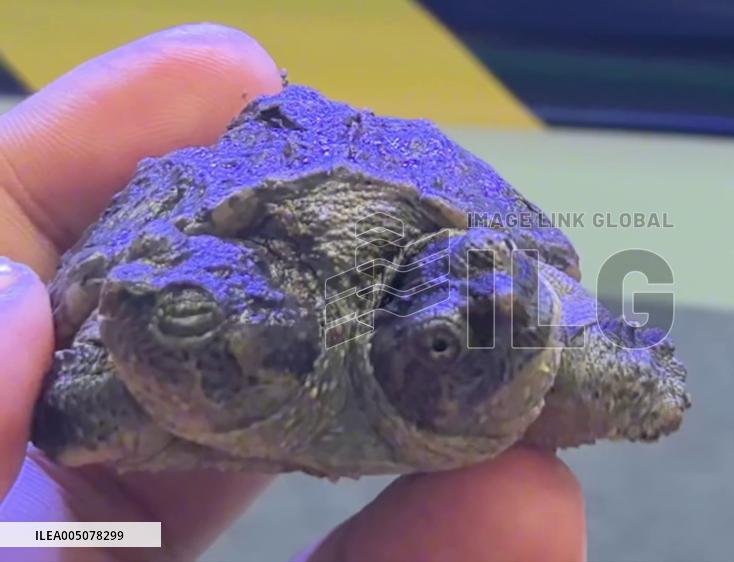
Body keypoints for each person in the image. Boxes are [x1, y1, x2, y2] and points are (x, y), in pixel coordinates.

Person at [0, 24, 586, 562]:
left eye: (177, 321)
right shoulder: (109, 378)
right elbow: (48, 521)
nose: (125, 306)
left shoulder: (503, 322)